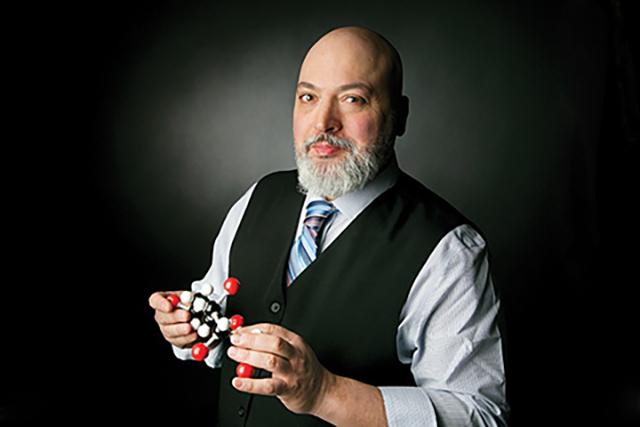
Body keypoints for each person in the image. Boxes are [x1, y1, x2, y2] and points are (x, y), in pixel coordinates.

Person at [149, 26, 508, 426]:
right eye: (308, 97)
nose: (324, 122)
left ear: (400, 116)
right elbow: (222, 328)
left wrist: (325, 394)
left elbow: (480, 415)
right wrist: (190, 328)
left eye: (353, 99)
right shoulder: (259, 197)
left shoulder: (448, 249)